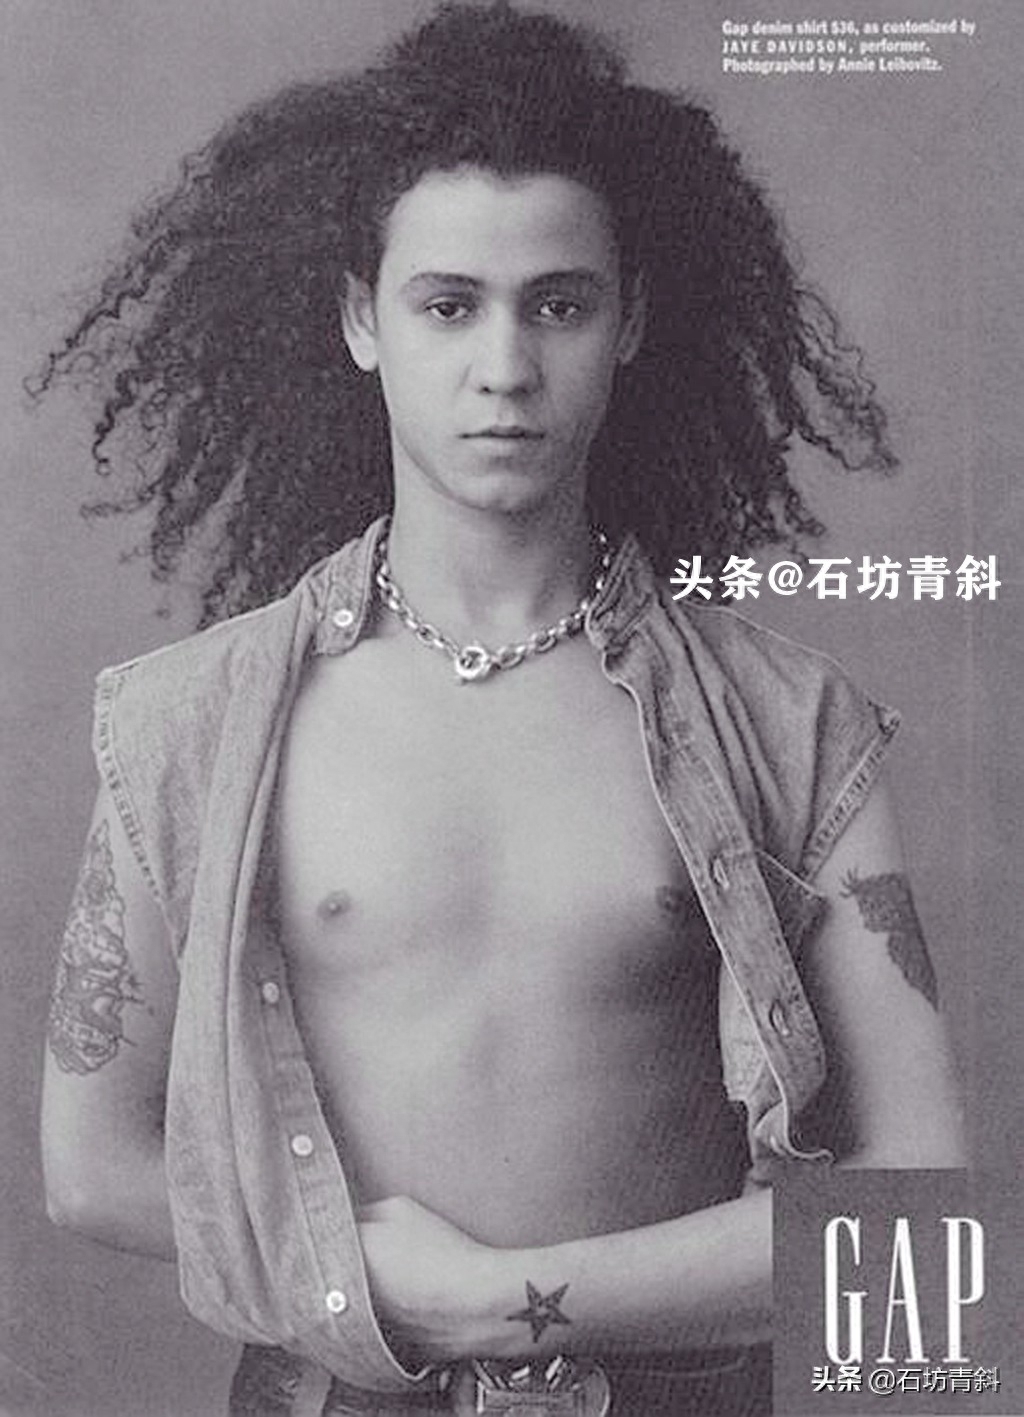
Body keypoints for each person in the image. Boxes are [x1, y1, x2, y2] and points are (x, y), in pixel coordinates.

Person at [38, 4, 965, 1413]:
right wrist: (355, 1278)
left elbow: (929, 1236)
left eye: (560, 304)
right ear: (361, 318)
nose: (506, 368)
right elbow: (89, 1164)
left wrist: (491, 1296)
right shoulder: (197, 723)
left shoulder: (792, 723)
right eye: (447, 304)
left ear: (630, 317)